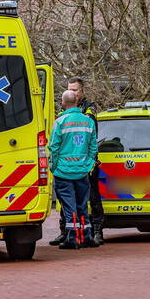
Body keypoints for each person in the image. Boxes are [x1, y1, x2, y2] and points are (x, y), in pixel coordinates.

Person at [50, 77, 104, 247]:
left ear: (82, 91)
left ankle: (79, 236)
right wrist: (88, 163)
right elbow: (92, 144)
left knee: (75, 204)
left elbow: (54, 147)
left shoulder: (86, 110)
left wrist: (54, 167)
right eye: (70, 89)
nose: (72, 92)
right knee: (81, 205)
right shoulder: (83, 119)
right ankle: (82, 235)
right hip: (82, 168)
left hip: (67, 170)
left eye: (75, 89)